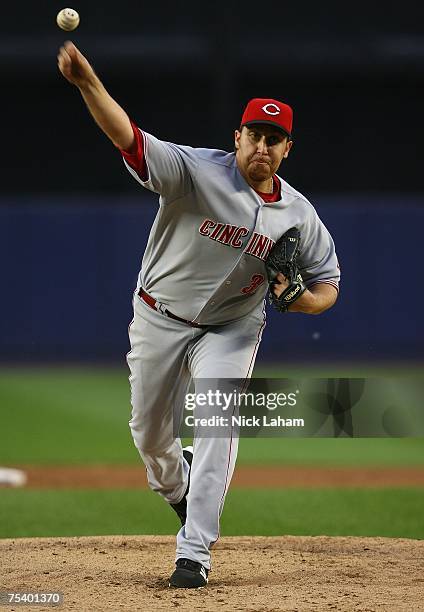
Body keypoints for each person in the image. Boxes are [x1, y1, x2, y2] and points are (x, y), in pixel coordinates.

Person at [57, 41, 340, 589]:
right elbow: (129, 138)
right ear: (238, 137)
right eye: (254, 134)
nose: (262, 145)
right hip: (160, 316)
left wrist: (300, 300)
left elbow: (329, 284)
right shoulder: (192, 171)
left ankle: (195, 554)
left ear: (287, 149)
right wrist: (88, 84)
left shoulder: (300, 215)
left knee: (218, 423)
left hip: (234, 326)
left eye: (274, 138)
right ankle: (176, 487)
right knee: (149, 438)